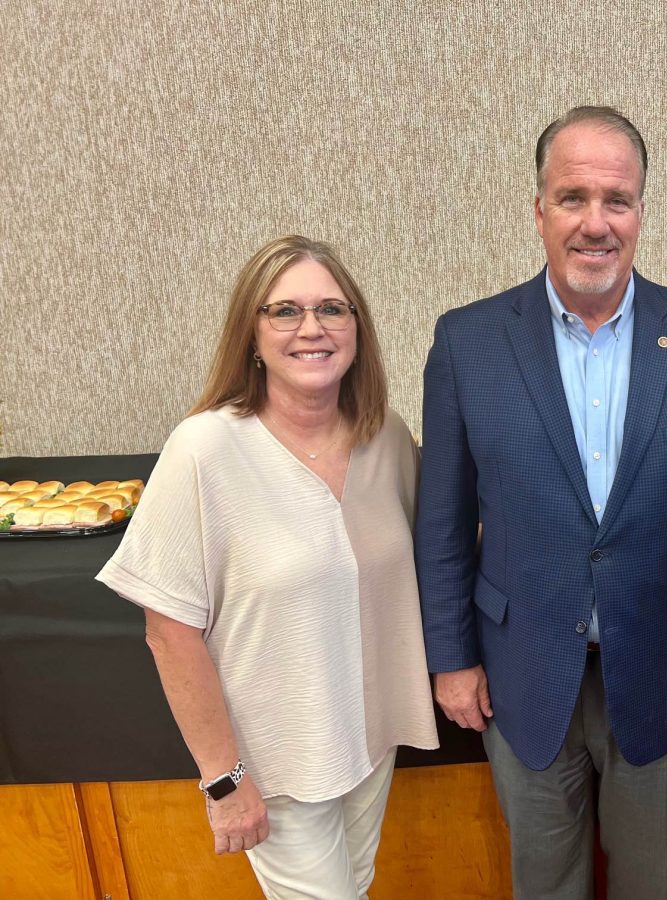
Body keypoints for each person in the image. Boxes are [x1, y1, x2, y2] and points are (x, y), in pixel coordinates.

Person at [415, 105, 667, 900]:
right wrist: (451, 657)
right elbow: (440, 522)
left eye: (617, 199)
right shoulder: (467, 342)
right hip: (520, 671)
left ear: (642, 210)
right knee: (544, 883)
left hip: (664, 666)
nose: (596, 222)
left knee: (648, 883)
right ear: (538, 210)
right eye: (573, 197)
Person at [97, 235, 438, 899]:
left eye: (332, 310)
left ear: (357, 329)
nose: (311, 328)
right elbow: (168, 630)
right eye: (285, 311)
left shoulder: (386, 436)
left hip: (371, 741)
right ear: (251, 337)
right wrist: (224, 781)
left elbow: (437, 548)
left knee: (355, 888)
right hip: (276, 762)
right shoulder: (206, 449)